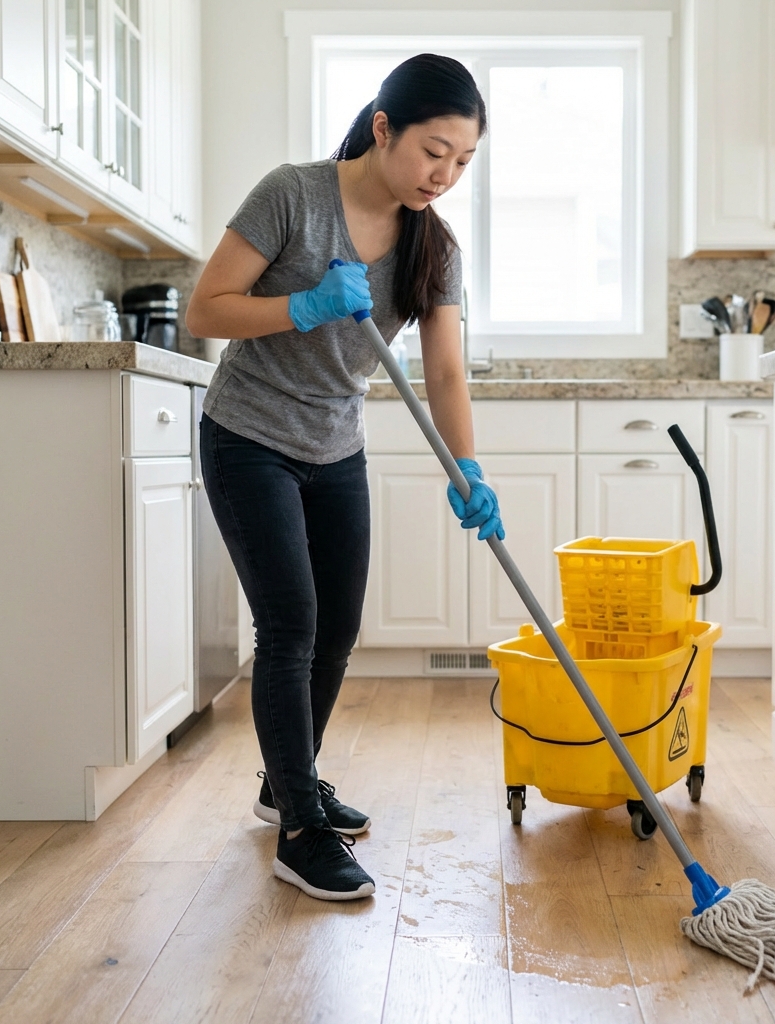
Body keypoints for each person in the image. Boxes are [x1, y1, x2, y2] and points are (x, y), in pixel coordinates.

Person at [186, 54, 504, 902]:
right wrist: (302, 307)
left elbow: (445, 375)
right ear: (382, 128)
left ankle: (284, 781)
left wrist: (467, 464)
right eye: (435, 151)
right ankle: (300, 828)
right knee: (290, 623)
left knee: (337, 628)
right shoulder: (293, 194)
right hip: (248, 434)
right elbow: (206, 307)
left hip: (335, 444)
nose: (446, 175)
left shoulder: (434, 247)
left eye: (464, 161)